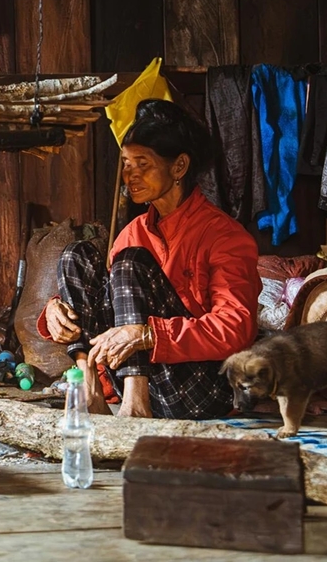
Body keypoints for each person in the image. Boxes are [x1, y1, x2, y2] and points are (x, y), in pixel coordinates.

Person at [38, 99, 259, 420]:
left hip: (200, 387)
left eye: (143, 164)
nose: (131, 176)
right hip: (143, 380)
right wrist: (54, 311)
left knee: (130, 262)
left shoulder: (224, 235)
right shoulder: (133, 232)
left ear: (179, 167)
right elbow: (109, 301)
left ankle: (135, 407)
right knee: (77, 254)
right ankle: (89, 391)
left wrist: (149, 334)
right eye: (126, 164)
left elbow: (234, 329)